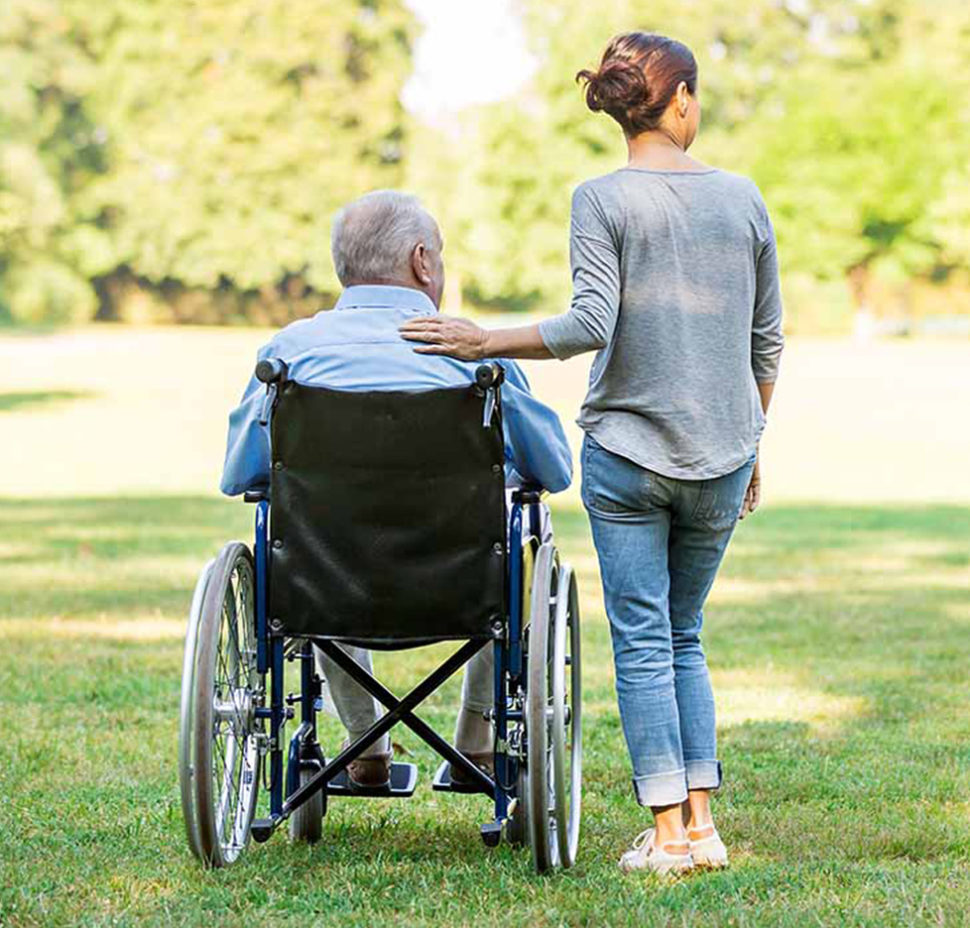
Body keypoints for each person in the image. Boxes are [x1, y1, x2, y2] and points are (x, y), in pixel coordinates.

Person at [400, 32, 784, 874]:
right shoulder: (744, 198)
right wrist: (751, 445)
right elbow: (766, 344)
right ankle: (703, 825)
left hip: (628, 453)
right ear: (679, 99)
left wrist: (482, 339)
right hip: (722, 455)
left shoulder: (599, 199)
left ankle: (669, 836)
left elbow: (589, 325)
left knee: (645, 638)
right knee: (685, 634)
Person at [220, 190, 571, 790]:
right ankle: (479, 745)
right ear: (421, 261)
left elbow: (241, 477)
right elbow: (555, 471)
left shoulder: (289, 356)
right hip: (461, 584)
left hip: (326, 586)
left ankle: (365, 749)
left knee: (310, 538)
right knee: (516, 541)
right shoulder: (475, 359)